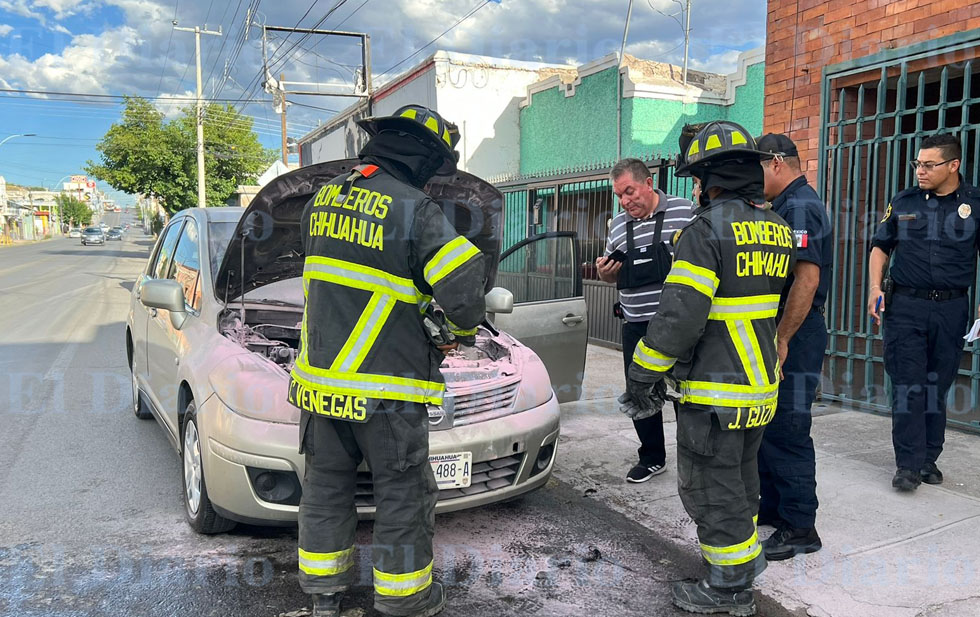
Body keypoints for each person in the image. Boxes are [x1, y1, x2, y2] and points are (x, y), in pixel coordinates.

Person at [288, 104, 486, 617]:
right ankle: (404, 600)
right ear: (424, 158)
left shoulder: (322, 200)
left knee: (327, 488)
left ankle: (324, 598)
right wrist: (456, 330)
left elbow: (357, 284)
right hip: (387, 391)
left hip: (319, 388)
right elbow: (463, 281)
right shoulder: (415, 209)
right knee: (402, 493)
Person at [627, 121, 796, 615]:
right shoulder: (778, 227)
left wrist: (643, 375)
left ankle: (726, 591)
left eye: (699, 179)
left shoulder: (705, 231)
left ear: (714, 178)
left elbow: (679, 318)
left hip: (715, 394)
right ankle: (741, 573)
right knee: (742, 488)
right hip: (759, 390)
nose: (696, 189)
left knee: (709, 490)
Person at [867, 133, 980, 492]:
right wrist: (874, 286)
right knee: (908, 385)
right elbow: (880, 246)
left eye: (929, 165)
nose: (920, 171)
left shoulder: (975, 204)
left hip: (951, 307)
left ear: (953, 165)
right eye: (918, 164)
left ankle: (929, 456)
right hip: (906, 307)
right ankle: (909, 465)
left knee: (937, 384)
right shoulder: (904, 201)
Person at [754, 134, 832, 561]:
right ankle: (775, 507)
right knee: (770, 421)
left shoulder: (800, 207)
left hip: (796, 333)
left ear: (777, 163)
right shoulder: (786, 205)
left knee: (787, 427)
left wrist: (782, 338)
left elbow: (807, 279)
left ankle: (801, 526)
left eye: (757, 168)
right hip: (787, 330)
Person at [595, 158, 696, 483]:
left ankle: (694, 460)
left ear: (649, 183)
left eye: (630, 191)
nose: (626, 201)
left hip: (678, 326)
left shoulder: (685, 212)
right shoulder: (617, 226)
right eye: (619, 195)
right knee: (641, 392)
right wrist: (604, 274)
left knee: (686, 393)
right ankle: (652, 457)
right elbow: (611, 272)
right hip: (636, 325)